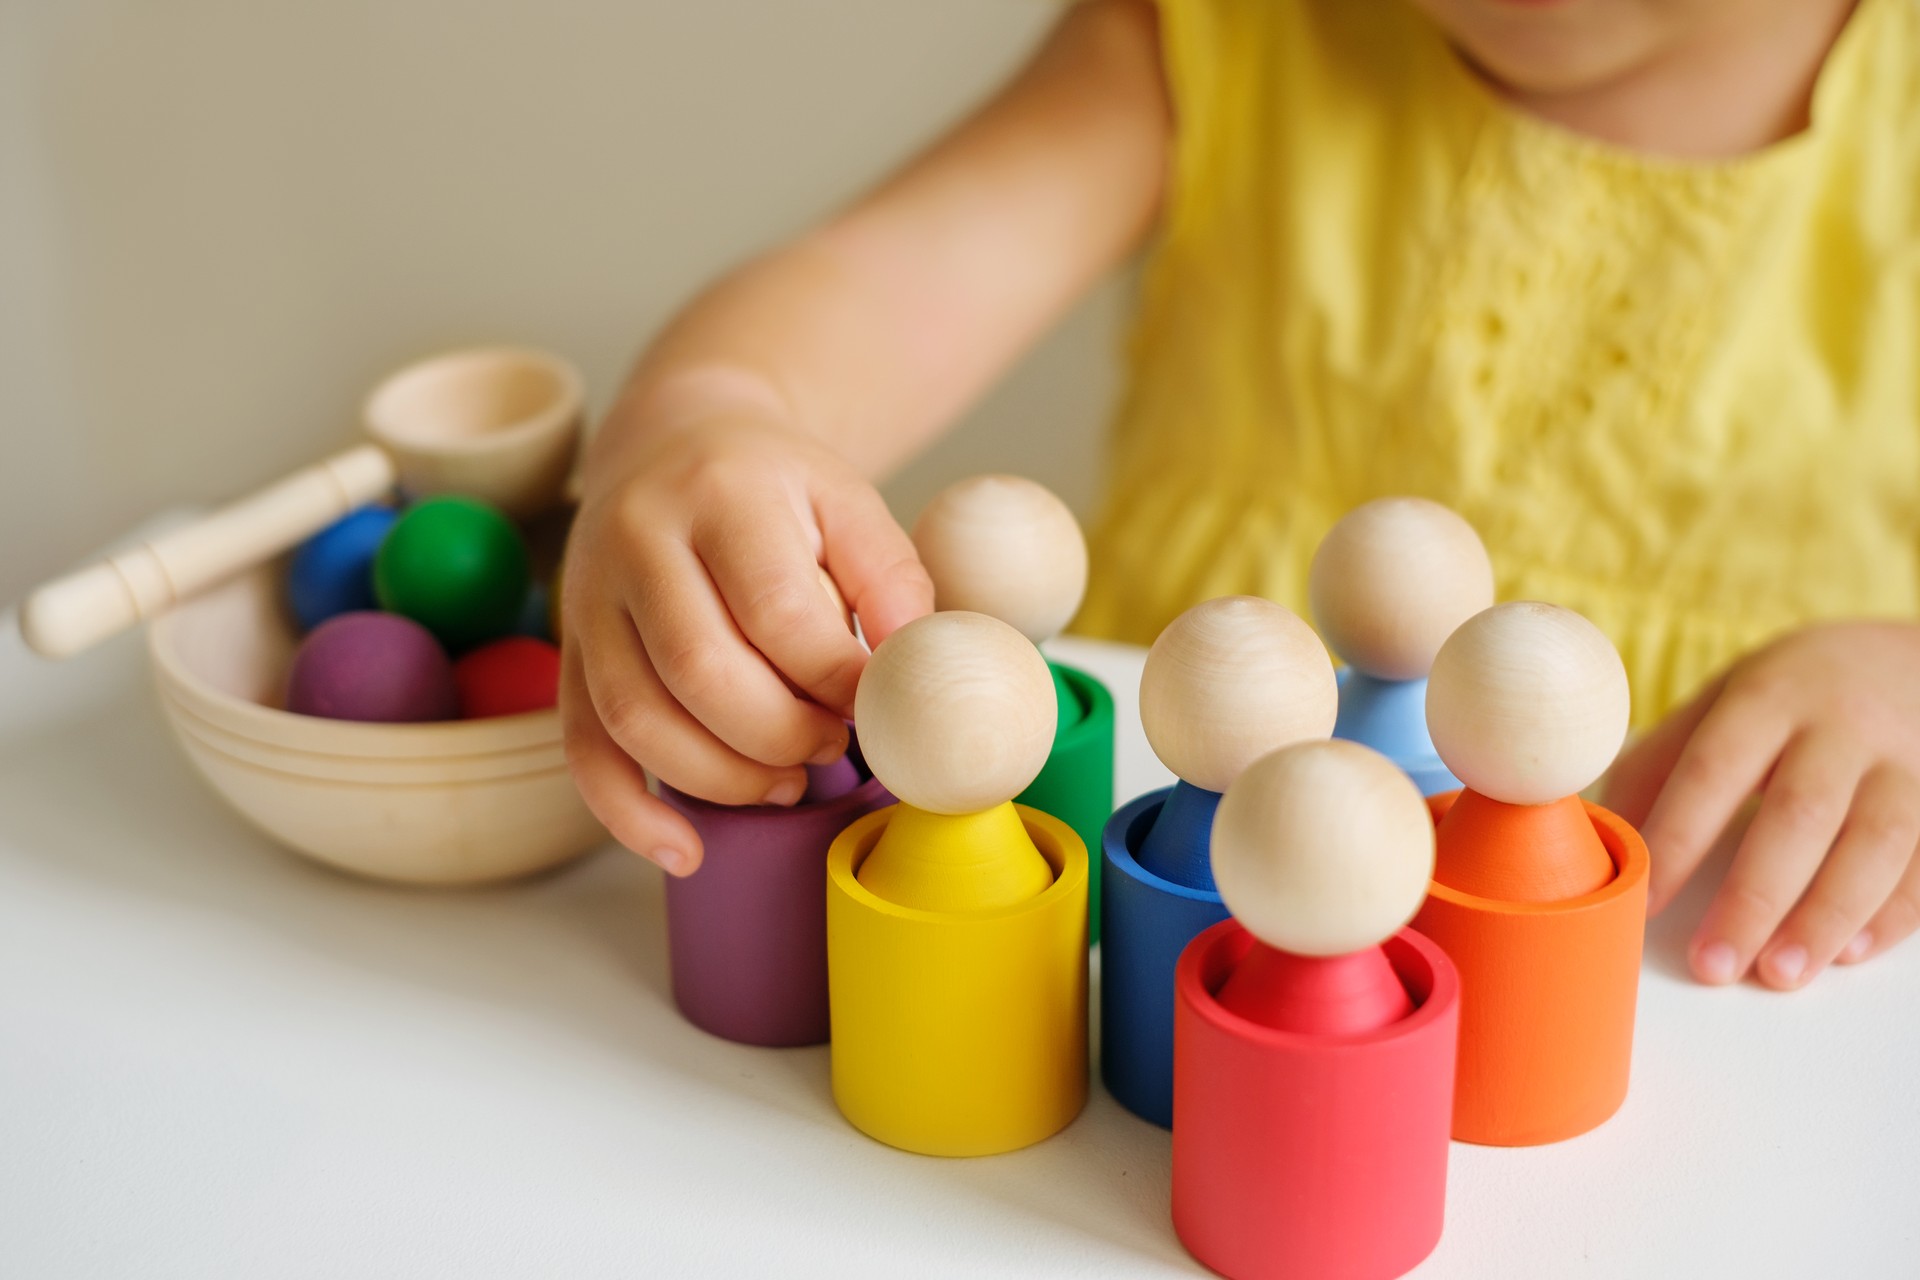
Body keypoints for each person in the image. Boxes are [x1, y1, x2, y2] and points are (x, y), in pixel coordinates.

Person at [558, 0, 1920, 993]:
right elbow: (891, 286)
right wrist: (700, 415)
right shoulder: (1213, 30)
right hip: (1157, 860)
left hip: (1719, 966)